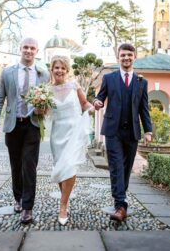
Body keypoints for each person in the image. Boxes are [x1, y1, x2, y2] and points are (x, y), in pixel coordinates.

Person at [0, 37, 50, 224]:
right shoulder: (7, 73)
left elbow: (48, 99)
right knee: (16, 165)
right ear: (20, 49)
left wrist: (43, 108)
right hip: (12, 125)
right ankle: (18, 198)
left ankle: (27, 208)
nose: (29, 51)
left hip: (32, 124)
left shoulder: (43, 74)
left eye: (32, 48)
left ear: (37, 51)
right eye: (26, 47)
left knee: (29, 166)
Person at [93, 43, 152, 221]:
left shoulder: (142, 82)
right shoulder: (109, 78)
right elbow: (100, 97)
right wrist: (97, 102)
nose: (126, 58)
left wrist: (148, 130)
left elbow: (144, 108)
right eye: (123, 55)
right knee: (116, 166)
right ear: (118, 57)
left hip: (132, 132)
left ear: (134, 57)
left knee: (126, 169)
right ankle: (120, 205)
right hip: (113, 131)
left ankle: (121, 196)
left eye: (129, 55)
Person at [48, 55, 95, 225]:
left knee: (70, 166)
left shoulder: (75, 86)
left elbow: (85, 104)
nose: (59, 70)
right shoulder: (46, 90)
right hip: (57, 133)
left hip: (73, 131)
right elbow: (42, 112)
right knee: (61, 168)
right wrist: (38, 105)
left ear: (67, 70)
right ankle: (65, 200)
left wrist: (91, 108)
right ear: (52, 70)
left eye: (62, 68)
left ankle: (63, 205)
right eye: (56, 67)